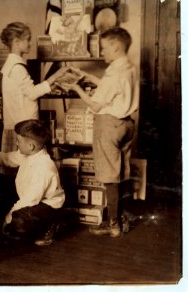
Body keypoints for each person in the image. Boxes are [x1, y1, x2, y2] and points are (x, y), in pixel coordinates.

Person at [60, 27, 139, 237]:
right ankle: (122, 218)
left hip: (109, 125)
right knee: (122, 173)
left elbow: (95, 106)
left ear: (116, 46)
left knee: (109, 177)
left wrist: (76, 88)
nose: (101, 52)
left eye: (103, 48)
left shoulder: (114, 73)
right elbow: (114, 89)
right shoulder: (129, 67)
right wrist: (88, 76)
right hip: (127, 124)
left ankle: (112, 225)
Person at [0, 119, 65, 246]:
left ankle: (49, 226)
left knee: (19, 220)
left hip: (48, 207)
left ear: (31, 146)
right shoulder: (29, 154)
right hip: (33, 201)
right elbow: (6, 158)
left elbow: (30, 199)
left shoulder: (43, 167)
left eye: (19, 141)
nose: (16, 143)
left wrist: (8, 218)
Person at [0, 22, 68, 172]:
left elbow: (25, 92)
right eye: (28, 39)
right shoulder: (17, 68)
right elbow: (32, 93)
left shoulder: (12, 65)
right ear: (17, 42)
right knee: (27, 170)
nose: (30, 43)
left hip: (17, 123)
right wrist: (55, 76)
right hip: (24, 126)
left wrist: (50, 85)